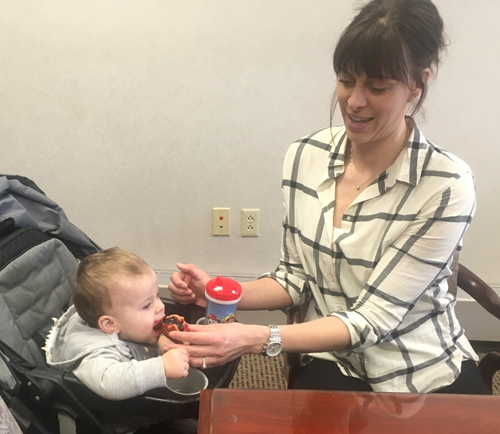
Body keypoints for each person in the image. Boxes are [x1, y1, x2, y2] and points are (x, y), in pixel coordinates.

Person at [166, 0, 490, 394]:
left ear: (417, 85)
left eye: (378, 87)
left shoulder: (446, 184)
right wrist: (222, 295)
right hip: (334, 359)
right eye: (346, 80)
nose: (354, 101)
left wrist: (252, 338)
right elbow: (295, 277)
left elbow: (373, 318)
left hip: (419, 370)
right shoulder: (305, 156)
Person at [45, 247, 190, 401]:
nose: (160, 306)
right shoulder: (95, 352)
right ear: (110, 324)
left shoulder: (129, 325)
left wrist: (158, 339)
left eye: (157, 296)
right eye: (147, 305)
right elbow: (109, 383)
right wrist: (161, 368)